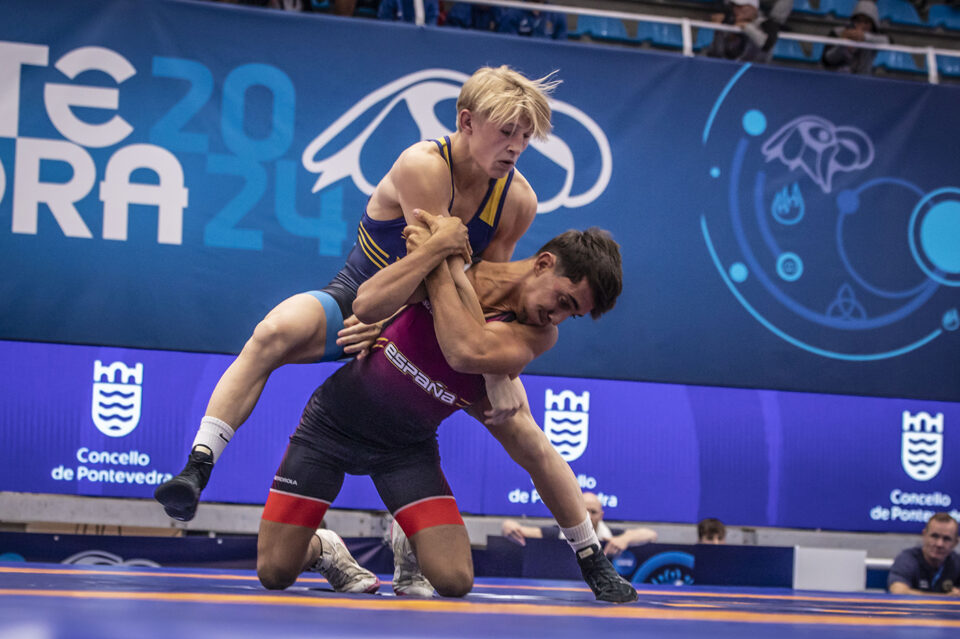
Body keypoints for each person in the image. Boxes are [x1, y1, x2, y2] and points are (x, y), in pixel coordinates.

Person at [154, 65, 560, 522]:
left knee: (519, 423)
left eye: (525, 137)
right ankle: (198, 467)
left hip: (427, 325)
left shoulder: (518, 199)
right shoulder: (423, 165)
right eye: (506, 132)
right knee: (272, 332)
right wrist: (384, 321)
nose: (516, 148)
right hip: (359, 298)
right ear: (466, 122)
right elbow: (434, 265)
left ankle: (588, 550)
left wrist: (498, 376)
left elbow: (485, 287)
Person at [257, 224, 638, 603]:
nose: (555, 317)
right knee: (275, 571)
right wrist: (436, 258)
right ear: (543, 263)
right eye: (563, 300)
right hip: (331, 426)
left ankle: (412, 545)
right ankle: (326, 549)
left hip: (404, 451)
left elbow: (465, 352)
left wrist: (446, 267)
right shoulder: (469, 262)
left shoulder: (534, 333)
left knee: (456, 580)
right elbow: (366, 302)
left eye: (569, 314)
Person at [501, 492, 658, 557]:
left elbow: (651, 535)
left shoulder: (612, 535)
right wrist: (507, 525)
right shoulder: (557, 532)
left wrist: (627, 538)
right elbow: (516, 528)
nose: (588, 516)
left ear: (601, 515)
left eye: (593, 512)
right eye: (584, 511)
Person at [887, 512, 960, 598]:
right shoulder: (907, 559)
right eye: (935, 536)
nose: (939, 544)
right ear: (924, 535)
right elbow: (898, 591)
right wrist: (947, 598)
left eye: (946, 539)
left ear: (955, 542)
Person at [821, 0, 890, 75]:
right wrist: (842, 43)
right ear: (853, 21)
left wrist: (864, 37)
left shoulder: (876, 38)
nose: (862, 26)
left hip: (862, 82)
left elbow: (889, 42)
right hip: (837, 79)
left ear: (873, 24)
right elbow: (827, 60)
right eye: (858, 21)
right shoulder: (837, 32)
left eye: (866, 22)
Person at [707, 0, 773, 64]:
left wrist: (747, 28)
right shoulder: (729, 22)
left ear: (753, 8)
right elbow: (716, 54)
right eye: (734, 6)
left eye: (740, 6)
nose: (736, 10)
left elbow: (762, 56)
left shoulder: (765, 26)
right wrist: (718, 30)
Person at [497, 0, 568, 40]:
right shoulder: (512, 13)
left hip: (549, 57)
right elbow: (508, 43)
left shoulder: (557, 13)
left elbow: (561, 44)